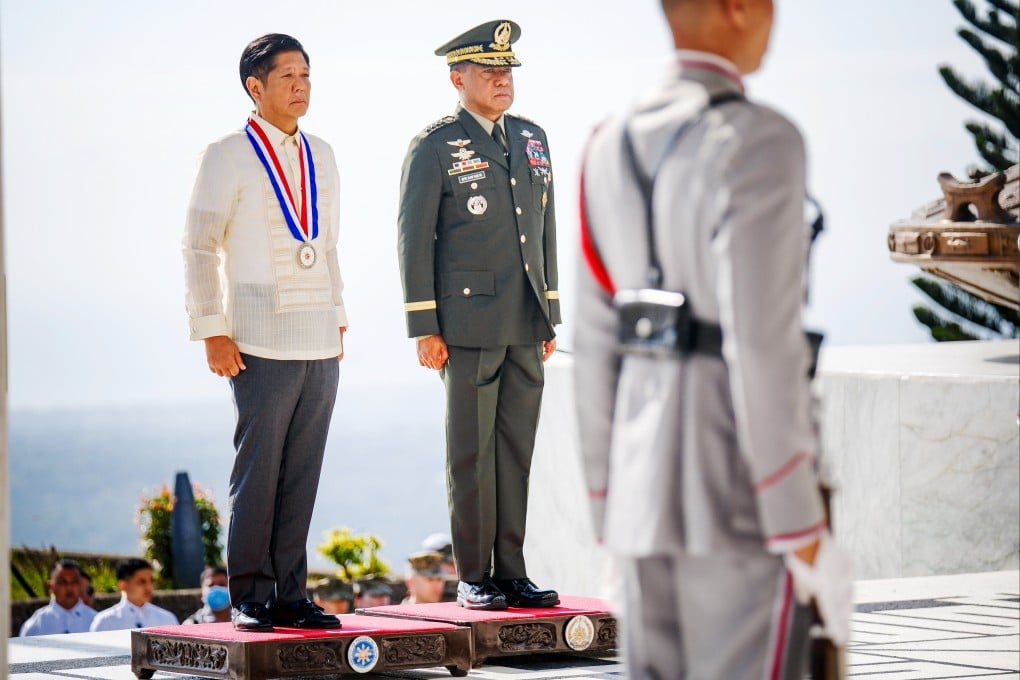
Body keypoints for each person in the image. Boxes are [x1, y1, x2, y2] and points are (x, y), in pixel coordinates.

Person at [574, 0, 853, 677]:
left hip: (640, 493)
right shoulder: (759, 140)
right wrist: (799, 528)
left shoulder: (605, 144)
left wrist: (608, 510)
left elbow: (594, 345)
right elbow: (760, 343)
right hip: (737, 491)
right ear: (737, 8)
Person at [183, 32, 347, 632]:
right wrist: (211, 330)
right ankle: (251, 593)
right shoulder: (226, 152)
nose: (301, 86)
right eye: (287, 77)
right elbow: (198, 245)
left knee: (303, 472)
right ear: (255, 87)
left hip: (318, 337)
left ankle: (292, 595)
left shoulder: (322, 153)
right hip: (256, 338)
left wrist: (338, 316)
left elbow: (326, 245)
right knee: (258, 474)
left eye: (306, 74)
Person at [397, 19, 560, 612]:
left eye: (507, 69)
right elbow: (414, 239)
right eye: (488, 70)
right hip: (465, 326)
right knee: (471, 452)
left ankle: (512, 571)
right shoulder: (435, 144)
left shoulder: (533, 137)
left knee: (516, 450)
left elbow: (545, 229)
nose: (501, 78)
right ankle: (474, 575)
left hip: (525, 318)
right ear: (456, 77)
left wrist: (550, 313)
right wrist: (425, 325)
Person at [89, 559, 178, 631]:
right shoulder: (105, 621)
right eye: (141, 582)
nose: (149, 587)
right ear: (123, 585)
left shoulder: (168, 619)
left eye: (151, 581)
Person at [19, 560, 97, 636]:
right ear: (51, 586)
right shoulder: (36, 625)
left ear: (80, 585)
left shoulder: (95, 621)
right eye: (63, 582)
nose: (69, 588)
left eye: (74, 582)